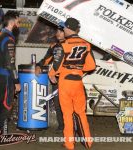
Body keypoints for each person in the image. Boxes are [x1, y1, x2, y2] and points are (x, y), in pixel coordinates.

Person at [49, 18, 96, 150]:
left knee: (67, 114)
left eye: (64, 28)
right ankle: (88, 142)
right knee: (81, 113)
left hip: (65, 82)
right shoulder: (86, 44)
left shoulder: (62, 45)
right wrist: (78, 69)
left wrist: (51, 74)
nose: (63, 29)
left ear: (68, 28)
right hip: (78, 82)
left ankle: (69, 144)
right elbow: (91, 65)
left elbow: (56, 66)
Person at [0, 11, 21, 134]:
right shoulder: (9, 38)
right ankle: (2, 135)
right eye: (18, 21)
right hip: (5, 76)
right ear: (12, 21)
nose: (19, 24)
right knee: (6, 105)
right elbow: (10, 63)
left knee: (0, 105)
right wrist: (16, 81)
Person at [35, 27, 65, 132]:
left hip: (70, 80)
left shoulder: (72, 45)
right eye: (57, 31)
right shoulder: (54, 45)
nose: (58, 33)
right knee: (57, 103)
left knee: (69, 104)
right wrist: (39, 65)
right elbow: (46, 59)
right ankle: (62, 126)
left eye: (61, 31)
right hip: (56, 80)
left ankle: (73, 127)